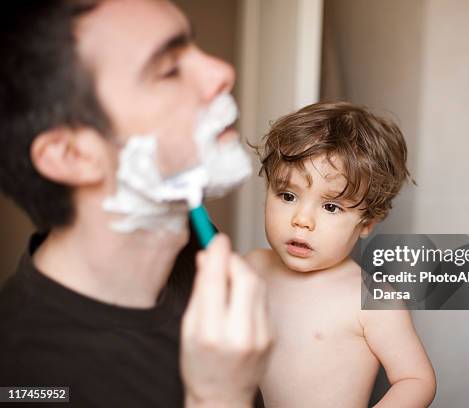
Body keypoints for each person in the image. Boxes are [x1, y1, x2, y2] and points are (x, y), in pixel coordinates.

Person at [0, 1, 270, 407]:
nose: (221, 72)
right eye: (168, 68)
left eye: (192, 46)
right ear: (73, 155)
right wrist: (219, 398)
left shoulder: (200, 255)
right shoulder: (22, 377)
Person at [246, 102, 436, 407]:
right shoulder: (252, 268)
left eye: (331, 206)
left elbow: (416, 380)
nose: (302, 219)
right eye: (288, 195)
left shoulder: (372, 298)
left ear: (367, 223)